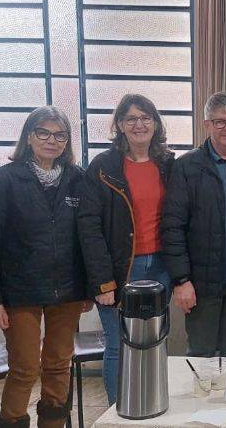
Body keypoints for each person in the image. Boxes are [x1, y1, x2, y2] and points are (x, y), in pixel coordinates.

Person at [0, 107, 89, 427]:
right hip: (19, 291)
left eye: (60, 135)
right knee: (25, 368)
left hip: (68, 289)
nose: (51, 140)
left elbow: (87, 238)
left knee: (58, 365)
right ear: (29, 136)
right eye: (43, 132)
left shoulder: (78, 179)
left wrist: (88, 288)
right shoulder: (3, 180)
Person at [78, 94, 175, 405]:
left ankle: (152, 403)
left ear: (155, 124)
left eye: (146, 118)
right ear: (119, 124)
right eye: (131, 119)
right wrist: (103, 282)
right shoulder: (103, 167)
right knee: (119, 344)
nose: (139, 124)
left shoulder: (168, 164)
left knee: (155, 339)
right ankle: (117, 413)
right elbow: (89, 227)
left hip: (161, 266)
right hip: (120, 269)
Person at [161, 92, 226, 357]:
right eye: (220, 121)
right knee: (202, 358)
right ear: (207, 124)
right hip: (201, 285)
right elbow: (172, 227)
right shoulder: (187, 167)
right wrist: (181, 280)